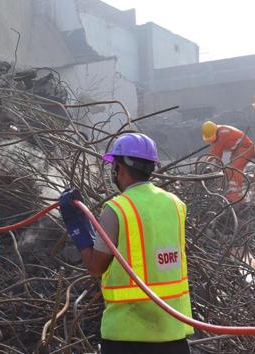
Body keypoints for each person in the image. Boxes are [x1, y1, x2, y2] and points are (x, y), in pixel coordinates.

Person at [58, 133, 192, 354]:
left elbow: (95, 266)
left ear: (118, 168)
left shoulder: (118, 209)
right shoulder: (175, 204)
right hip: (172, 332)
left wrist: (77, 225)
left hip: (128, 334)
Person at [201, 121, 255, 202]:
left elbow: (215, 155)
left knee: (233, 170)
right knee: (228, 170)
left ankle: (234, 197)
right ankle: (235, 194)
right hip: (238, 150)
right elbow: (214, 154)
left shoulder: (222, 135)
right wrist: (208, 164)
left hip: (245, 148)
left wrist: (211, 169)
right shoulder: (217, 131)